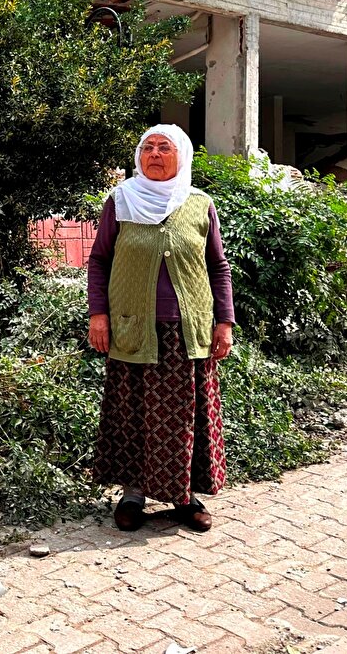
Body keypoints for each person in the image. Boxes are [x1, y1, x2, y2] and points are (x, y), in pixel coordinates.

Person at [86, 125, 235, 533]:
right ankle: (133, 495)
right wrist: (98, 315)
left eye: (164, 147)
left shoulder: (199, 204)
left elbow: (218, 266)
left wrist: (224, 322)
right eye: (147, 147)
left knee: (184, 418)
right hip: (132, 328)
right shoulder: (121, 201)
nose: (154, 153)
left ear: (181, 155)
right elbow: (99, 261)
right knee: (133, 413)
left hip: (187, 331)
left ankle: (184, 497)